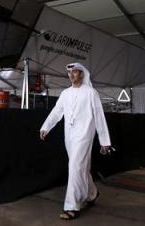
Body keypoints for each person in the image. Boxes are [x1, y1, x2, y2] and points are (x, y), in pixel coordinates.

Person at [40, 62, 111, 220]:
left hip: (85, 134)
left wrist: (104, 141)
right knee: (80, 167)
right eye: (69, 72)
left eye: (75, 72)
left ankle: (72, 206)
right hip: (69, 136)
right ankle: (92, 193)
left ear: (82, 74)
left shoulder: (91, 93)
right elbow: (57, 111)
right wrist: (46, 127)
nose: (71, 75)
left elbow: (99, 117)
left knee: (74, 167)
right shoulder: (65, 93)